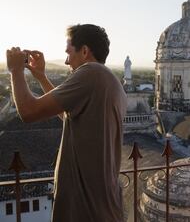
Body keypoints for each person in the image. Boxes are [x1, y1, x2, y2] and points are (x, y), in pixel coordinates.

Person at [6, 24, 127, 222]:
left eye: (69, 53)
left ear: (85, 51)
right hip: (101, 205)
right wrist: (42, 77)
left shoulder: (91, 72)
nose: (66, 61)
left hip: (86, 209)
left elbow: (28, 111)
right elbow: (68, 115)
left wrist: (15, 70)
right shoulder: (110, 83)